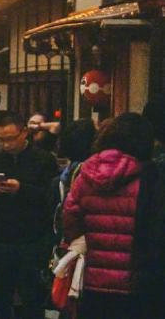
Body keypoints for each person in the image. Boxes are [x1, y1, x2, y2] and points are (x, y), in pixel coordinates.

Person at [63, 112, 164, 318]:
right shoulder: (150, 177)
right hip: (135, 281)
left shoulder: (85, 173)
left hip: (92, 279)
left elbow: (70, 219)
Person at [0, 111, 57, 319]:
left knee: (32, 299)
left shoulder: (43, 159)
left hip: (32, 240)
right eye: (1, 140)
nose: (6, 145)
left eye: (10, 139)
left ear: (25, 133)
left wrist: (22, 189)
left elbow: (50, 198)